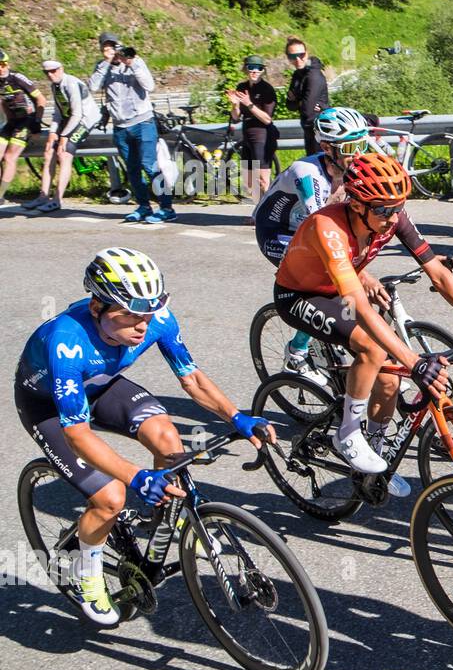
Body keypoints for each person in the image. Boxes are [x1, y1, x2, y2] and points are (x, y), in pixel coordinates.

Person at [15, 248, 274, 625]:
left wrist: (237, 417)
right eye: (130, 317)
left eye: (147, 315)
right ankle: (85, 575)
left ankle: (167, 518)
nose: (141, 327)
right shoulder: (65, 341)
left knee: (167, 437)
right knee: (110, 496)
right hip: (51, 409)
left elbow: (192, 379)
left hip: (101, 387)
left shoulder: (157, 319)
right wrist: (136, 476)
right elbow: (78, 435)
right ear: (96, 308)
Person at [273, 152, 453, 476]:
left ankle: (375, 455)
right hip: (300, 294)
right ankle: (347, 433)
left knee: (388, 377)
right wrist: (416, 364)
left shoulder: (392, 215)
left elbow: (439, 275)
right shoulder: (327, 227)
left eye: (399, 206)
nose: (394, 216)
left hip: (337, 290)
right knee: (373, 349)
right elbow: (356, 302)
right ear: (357, 204)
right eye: (385, 210)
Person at [254, 107, 370, 381]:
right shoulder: (306, 172)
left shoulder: (349, 166)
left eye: (362, 144)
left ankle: (329, 333)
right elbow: (319, 223)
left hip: (305, 228)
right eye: (352, 147)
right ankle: (296, 353)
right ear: (328, 148)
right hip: (278, 232)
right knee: (324, 280)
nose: (359, 154)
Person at [89, 33, 170, 223]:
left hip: (143, 123)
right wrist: (106, 63)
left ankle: (166, 207)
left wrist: (131, 63)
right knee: (132, 170)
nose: (112, 52)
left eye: (114, 47)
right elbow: (92, 87)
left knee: (150, 166)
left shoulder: (135, 62)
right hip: (120, 127)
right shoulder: (102, 67)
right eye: (107, 48)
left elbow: (149, 85)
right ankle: (143, 206)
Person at [32, 60, 101, 213]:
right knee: (49, 152)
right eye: (46, 72)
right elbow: (57, 113)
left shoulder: (71, 84)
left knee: (64, 153)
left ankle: (57, 200)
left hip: (85, 119)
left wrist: (63, 136)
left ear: (61, 69)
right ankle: (43, 196)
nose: (50, 75)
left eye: (53, 71)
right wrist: (52, 133)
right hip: (69, 121)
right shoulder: (55, 86)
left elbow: (77, 114)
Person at [226, 55, 278, 213]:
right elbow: (235, 118)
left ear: (263, 70)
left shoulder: (267, 89)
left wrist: (249, 104)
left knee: (263, 180)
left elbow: (267, 119)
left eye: (259, 68)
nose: (255, 71)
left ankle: (269, 213)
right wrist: (235, 105)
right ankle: (258, 211)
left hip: (263, 137)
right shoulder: (241, 87)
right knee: (249, 182)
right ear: (245, 69)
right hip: (247, 137)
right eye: (251, 67)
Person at [0, 50, 48, 205]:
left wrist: (37, 123)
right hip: (12, 122)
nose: (1, 68)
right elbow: (3, 102)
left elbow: (41, 99)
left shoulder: (17, 78)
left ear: (7, 63)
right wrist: (8, 120)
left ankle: (1, 194)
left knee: (9, 157)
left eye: (3, 64)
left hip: (28, 121)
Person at [284, 38, 330, 156]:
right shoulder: (297, 75)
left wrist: (298, 101)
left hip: (321, 129)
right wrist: (301, 102)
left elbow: (307, 110)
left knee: (321, 169)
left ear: (307, 53)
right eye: (293, 56)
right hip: (308, 129)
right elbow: (290, 106)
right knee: (314, 167)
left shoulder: (313, 75)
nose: (298, 59)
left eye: (301, 55)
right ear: (288, 58)